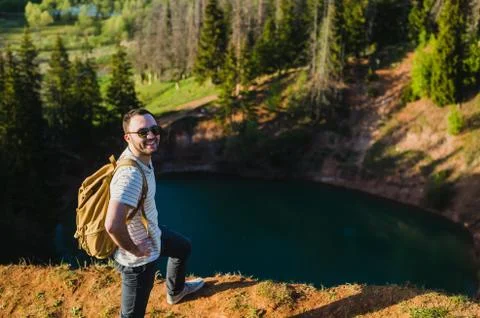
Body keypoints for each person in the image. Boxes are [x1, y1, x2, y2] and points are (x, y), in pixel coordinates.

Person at [105, 108, 204, 317]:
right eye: (142, 132)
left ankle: (175, 292)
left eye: (154, 129)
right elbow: (112, 224)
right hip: (138, 261)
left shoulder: (140, 156)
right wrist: (134, 249)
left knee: (182, 247)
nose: (151, 135)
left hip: (153, 235)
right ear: (127, 137)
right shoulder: (130, 174)